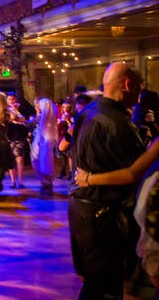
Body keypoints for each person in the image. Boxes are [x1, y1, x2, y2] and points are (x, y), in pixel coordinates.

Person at [69, 62, 146, 299]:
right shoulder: (119, 123)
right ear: (128, 85)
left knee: (94, 283)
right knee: (105, 288)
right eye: (139, 88)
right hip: (104, 214)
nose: (139, 94)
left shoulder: (87, 111)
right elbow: (136, 172)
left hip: (81, 208)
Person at [31, 98, 58, 197]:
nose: (38, 107)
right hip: (43, 140)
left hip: (46, 140)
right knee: (39, 161)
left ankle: (47, 186)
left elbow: (35, 120)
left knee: (45, 163)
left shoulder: (48, 116)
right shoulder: (44, 117)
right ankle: (45, 184)